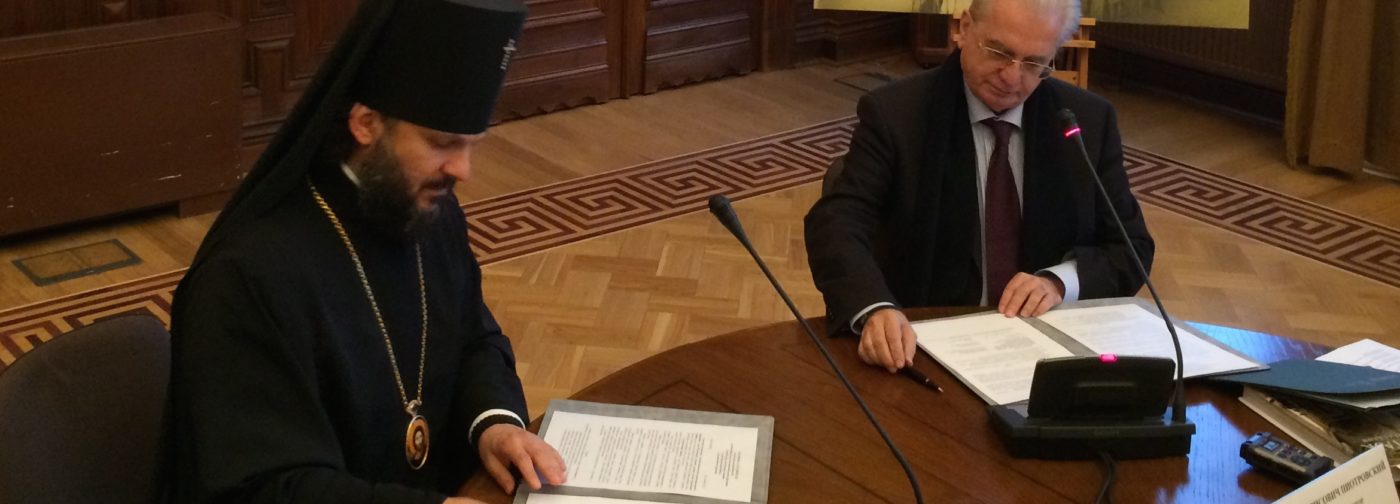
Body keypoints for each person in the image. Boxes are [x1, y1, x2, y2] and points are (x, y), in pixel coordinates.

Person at [169, 0, 566, 502]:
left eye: (471, 145)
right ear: (365, 123)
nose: (463, 170)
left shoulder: (428, 214)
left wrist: (495, 424)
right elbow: (265, 485)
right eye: (442, 143)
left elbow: (474, 341)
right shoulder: (248, 276)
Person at [804, 0, 1154, 373]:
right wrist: (876, 308)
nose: (1012, 77)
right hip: (922, 347)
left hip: (1044, 352)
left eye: (1034, 63)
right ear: (965, 28)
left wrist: (1058, 282)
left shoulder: (1086, 121)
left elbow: (1131, 246)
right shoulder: (896, 114)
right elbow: (837, 224)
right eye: (1000, 52)